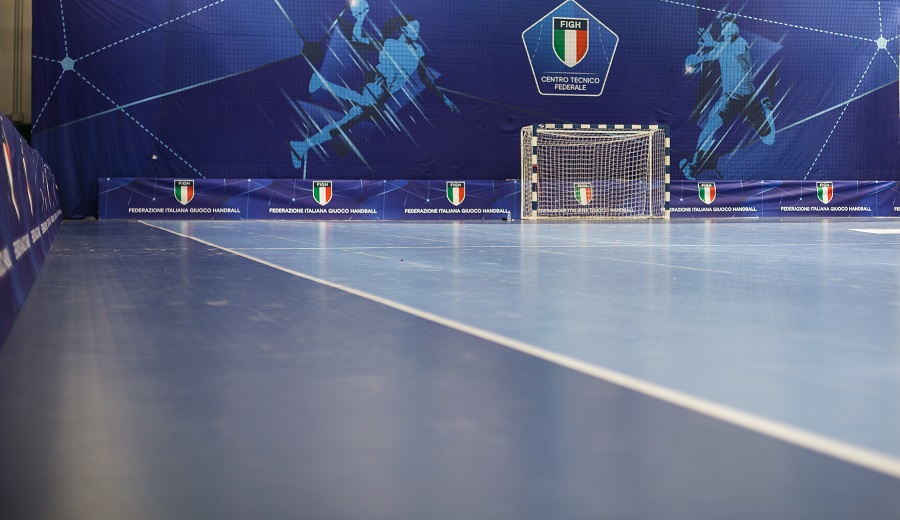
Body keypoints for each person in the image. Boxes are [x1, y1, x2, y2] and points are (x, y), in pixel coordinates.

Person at [290, 14, 458, 169]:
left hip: (384, 95)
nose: (416, 32)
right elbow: (358, 39)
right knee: (363, 106)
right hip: (376, 85)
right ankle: (322, 84)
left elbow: (425, 78)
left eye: (418, 29)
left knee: (344, 124)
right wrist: (360, 18)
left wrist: (445, 99)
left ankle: (302, 146)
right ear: (403, 29)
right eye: (413, 28)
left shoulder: (418, 51)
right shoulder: (388, 44)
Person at [681, 14, 776, 180]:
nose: (727, 28)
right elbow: (717, 53)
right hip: (728, 99)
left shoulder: (741, 43)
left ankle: (767, 110)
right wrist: (703, 54)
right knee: (709, 128)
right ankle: (694, 165)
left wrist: (702, 54)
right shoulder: (723, 46)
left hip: (747, 99)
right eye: (724, 26)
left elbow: (723, 51)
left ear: (736, 29)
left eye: (730, 25)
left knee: (769, 139)